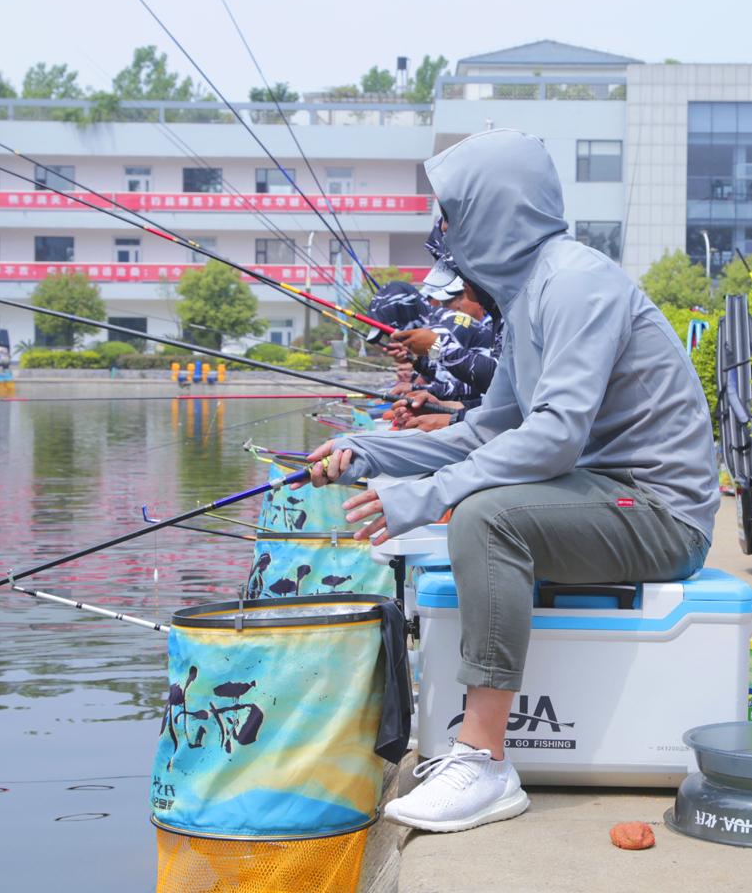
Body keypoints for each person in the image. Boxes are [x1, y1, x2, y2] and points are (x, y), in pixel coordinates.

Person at [303, 129, 717, 834]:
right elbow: (487, 430)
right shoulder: (528, 298)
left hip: (657, 512)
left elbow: (555, 437)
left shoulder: (577, 282)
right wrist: (367, 450)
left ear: (495, 211)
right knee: (476, 507)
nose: (445, 232)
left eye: (453, 214)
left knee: (484, 518)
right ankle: (474, 746)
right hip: (601, 494)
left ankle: (485, 761)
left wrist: (425, 499)